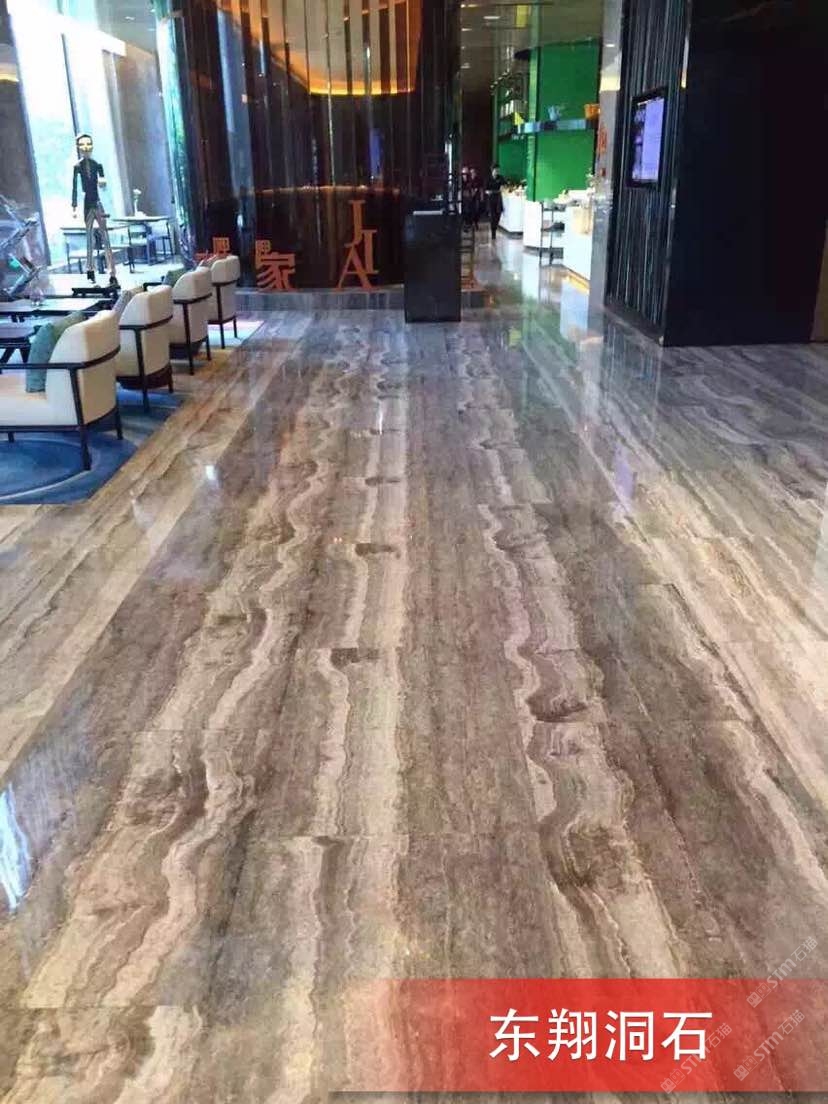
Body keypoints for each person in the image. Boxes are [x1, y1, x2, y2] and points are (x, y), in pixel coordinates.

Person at [485, 164, 504, 242]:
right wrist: (488, 192)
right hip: (491, 199)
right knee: (493, 216)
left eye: (498, 170)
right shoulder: (488, 179)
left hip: (498, 198)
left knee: (498, 214)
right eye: (495, 170)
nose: (496, 172)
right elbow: (485, 189)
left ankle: (495, 227)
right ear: (492, 170)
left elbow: (503, 185)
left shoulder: (501, 178)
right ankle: (493, 232)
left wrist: (502, 187)